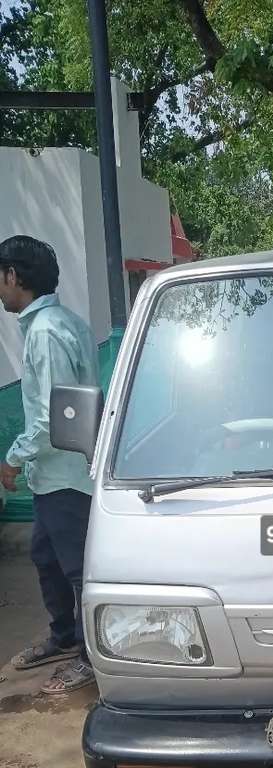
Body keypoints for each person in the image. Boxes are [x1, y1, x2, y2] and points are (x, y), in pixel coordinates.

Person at [0, 236, 99, 693]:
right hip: (56, 475)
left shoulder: (45, 332)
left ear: (13, 276)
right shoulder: (66, 322)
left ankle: (87, 655)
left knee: (77, 570)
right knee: (46, 557)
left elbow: (50, 417)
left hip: (65, 476)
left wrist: (13, 459)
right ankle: (63, 636)